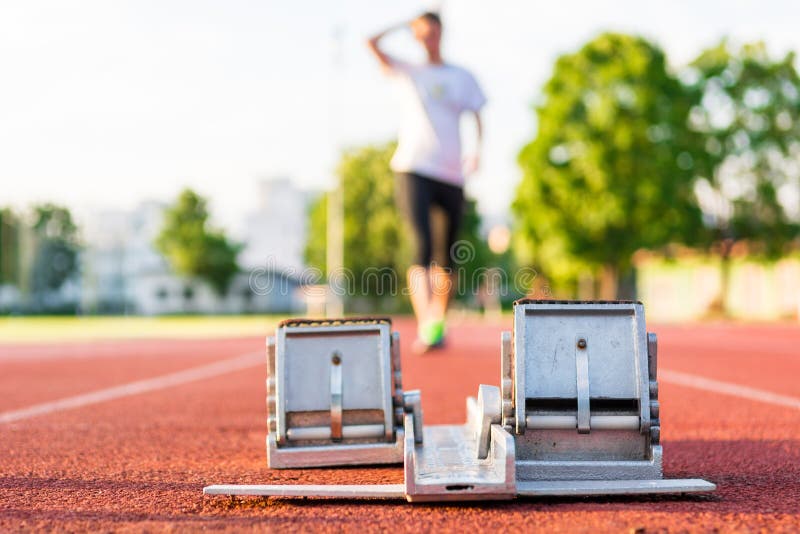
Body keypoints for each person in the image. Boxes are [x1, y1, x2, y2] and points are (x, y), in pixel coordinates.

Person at [367, 12, 486, 352]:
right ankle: (426, 325)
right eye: (422, 33)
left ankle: (437, 321)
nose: (428, 38)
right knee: (420, 245)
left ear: (441, 33)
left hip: (451, 172)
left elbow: (478, 116)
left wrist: (477, 152)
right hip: (413, 167)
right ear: (416, 35)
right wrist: (405, 22)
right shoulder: (407, 71)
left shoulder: (462, 77)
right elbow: (370, 43)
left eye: (433, 32)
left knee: (446, 256)